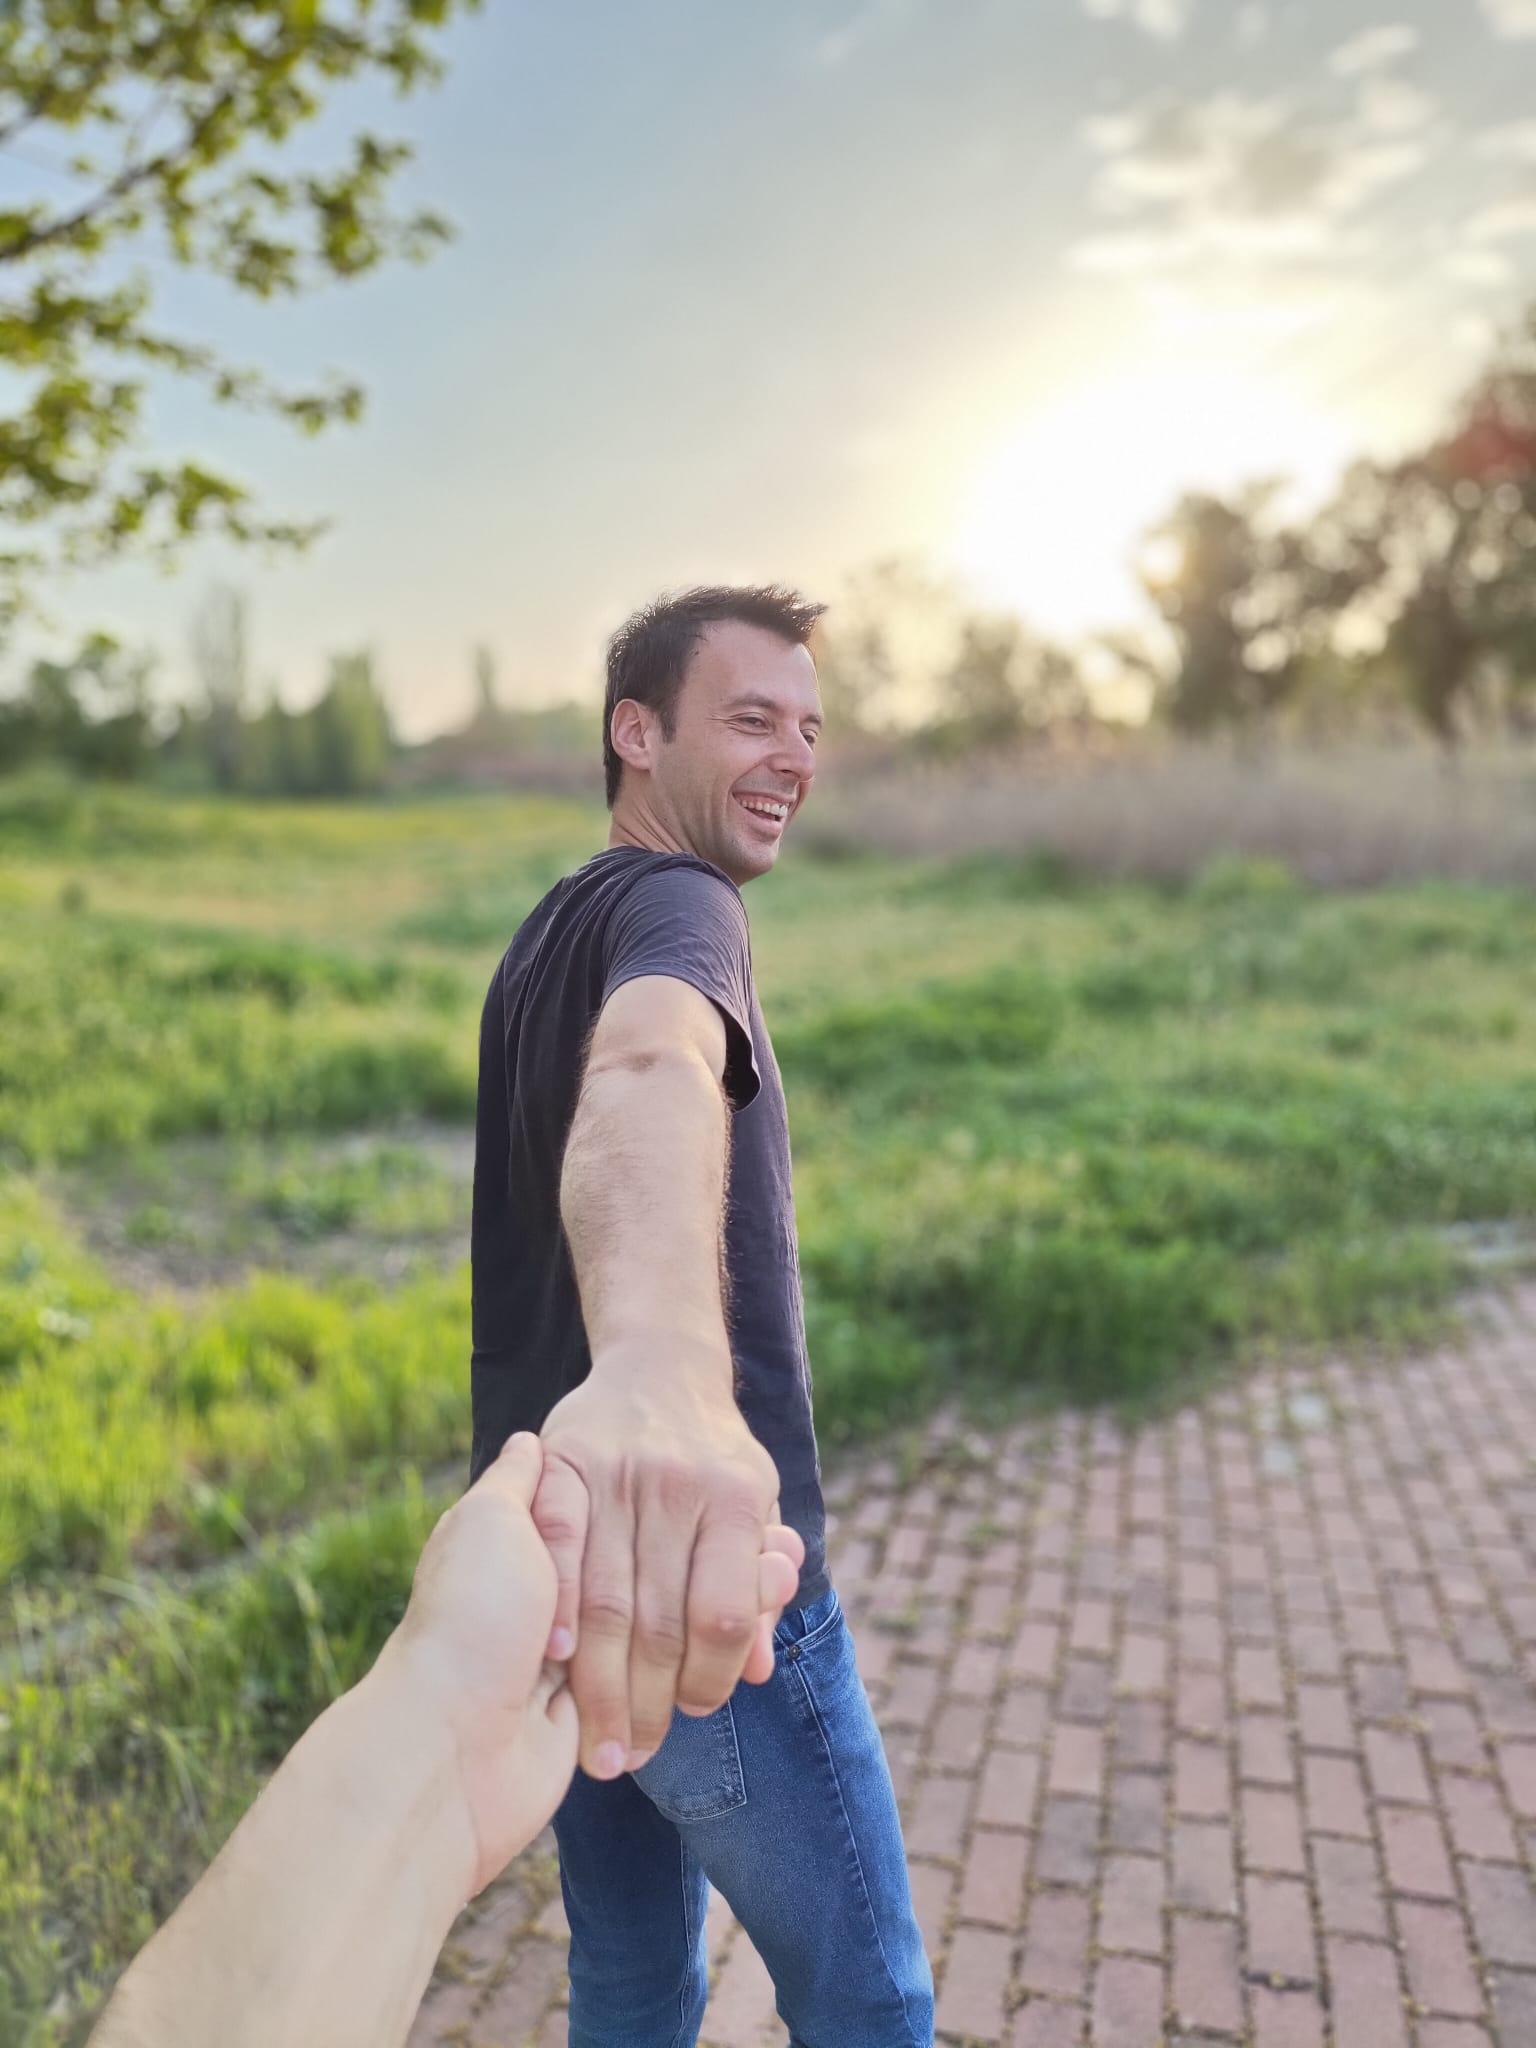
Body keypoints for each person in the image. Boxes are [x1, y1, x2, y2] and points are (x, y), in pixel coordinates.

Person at [471, 585, 934, 2046]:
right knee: (868, 1998)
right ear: (635, 732)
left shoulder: (545, 933)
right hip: (710, 1589)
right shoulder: (683, 908)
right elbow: (651, 1074)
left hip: (572, 1585)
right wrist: (669, 1372)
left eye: (809, 726)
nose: (795, 753)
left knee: (630, 1985)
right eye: (751, 718)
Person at [86, 1432, 808, 2048]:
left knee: (629, 1969)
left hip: (566, 1615)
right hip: (652, 1592)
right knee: (852, 1989)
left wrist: (437, 1713)